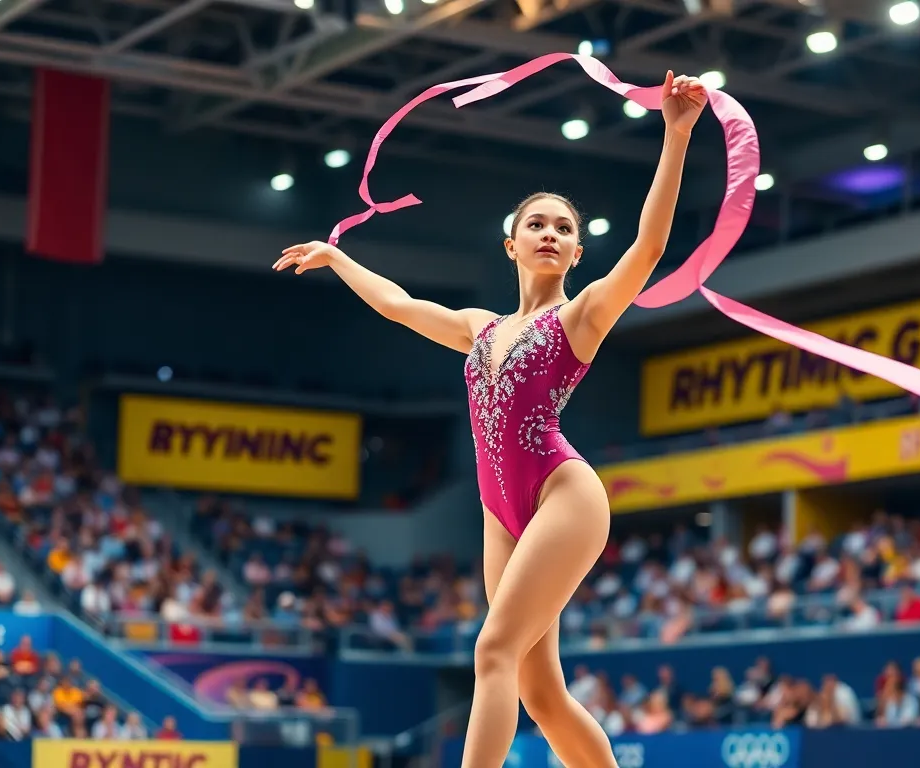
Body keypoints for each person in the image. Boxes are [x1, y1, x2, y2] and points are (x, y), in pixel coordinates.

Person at [274, 70, 708, 768]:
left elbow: (649, 250)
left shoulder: (583, 315)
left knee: (492, 650)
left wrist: (676, 135)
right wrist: (337, 258)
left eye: (564, 229)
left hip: (562, 493)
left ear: (575, 252)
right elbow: (401, 305)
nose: (549, 233)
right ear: (511, 244)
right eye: (535, 224)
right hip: (499, 510)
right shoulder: (480, 328)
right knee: (540, 691)